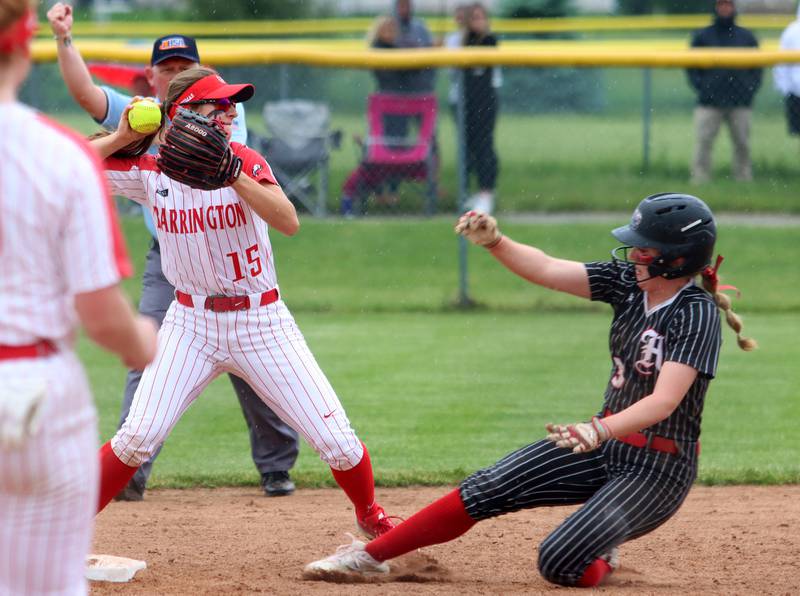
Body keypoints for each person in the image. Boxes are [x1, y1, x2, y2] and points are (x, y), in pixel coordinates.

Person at [304, 193, 757, 588]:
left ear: (676, 259)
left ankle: (602, 551)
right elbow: (546, 268)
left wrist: (597, 430)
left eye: (644, 248)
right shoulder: (628, 284)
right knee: (489, 486)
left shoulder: (695, 314)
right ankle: (370, 557)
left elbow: (664, 401)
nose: (633, 254)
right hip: (606, 445)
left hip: (657, 470)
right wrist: (496, 243)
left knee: (560, 561)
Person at [88, 68, 398, 540]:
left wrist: (233, 174)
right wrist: (121, 136)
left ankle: (371, 515)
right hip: (189, 324)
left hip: (261, 322)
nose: (230, 112)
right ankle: (60, 528)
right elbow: (68, 166)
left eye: (232, 105)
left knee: (337, 442)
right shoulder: (152, 171)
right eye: (217, 105)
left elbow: (288, 220)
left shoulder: (245, 159)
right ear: (183, 114)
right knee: (136, 437)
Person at [47, 2, 299, 500]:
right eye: (167, 68)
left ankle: (275, 466)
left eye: (185, 68)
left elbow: (206, 158)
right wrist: (65, 41)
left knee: (255, 366)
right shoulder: (139, 114)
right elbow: (82, 97)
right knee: (146, 356)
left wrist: (147, 146)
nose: (176, 74)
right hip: (172, 258)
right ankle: (130, 475)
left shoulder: (224, 113)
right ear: (152, 76)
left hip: (231, 254)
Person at [0, 1, 157, 593]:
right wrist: (146, 342)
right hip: (35, 389)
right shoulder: (61, 156)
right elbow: (102, 318)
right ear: (22, 45)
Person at [686, 0, 762, 184]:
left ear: (734, 8)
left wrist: (748, 90)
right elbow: (691, 66)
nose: (725, 9)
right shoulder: (703, 35)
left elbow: (757, 68)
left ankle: (743, 178)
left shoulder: (746, 36)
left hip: (739, 102)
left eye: (728, 5)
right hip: (709, 101)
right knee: (704, 142)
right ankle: (700, 178)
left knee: (742, 143)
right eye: (721, 5)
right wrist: (703, 87)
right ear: (715, 7)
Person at [462, 2, 501, 215]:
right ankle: (473, 191)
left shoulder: (489, 40)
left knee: (485, 145)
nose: (479, 21)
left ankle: (487, 192)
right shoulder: (464, 40)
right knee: (470, 146)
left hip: (485, 101)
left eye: (481, 17)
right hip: (467, 102)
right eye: (474, 17)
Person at [773, 4, 800, 142]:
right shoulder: (792, 31)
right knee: (796, 136)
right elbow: (781, 62)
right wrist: (784, 87)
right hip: (796, 92)